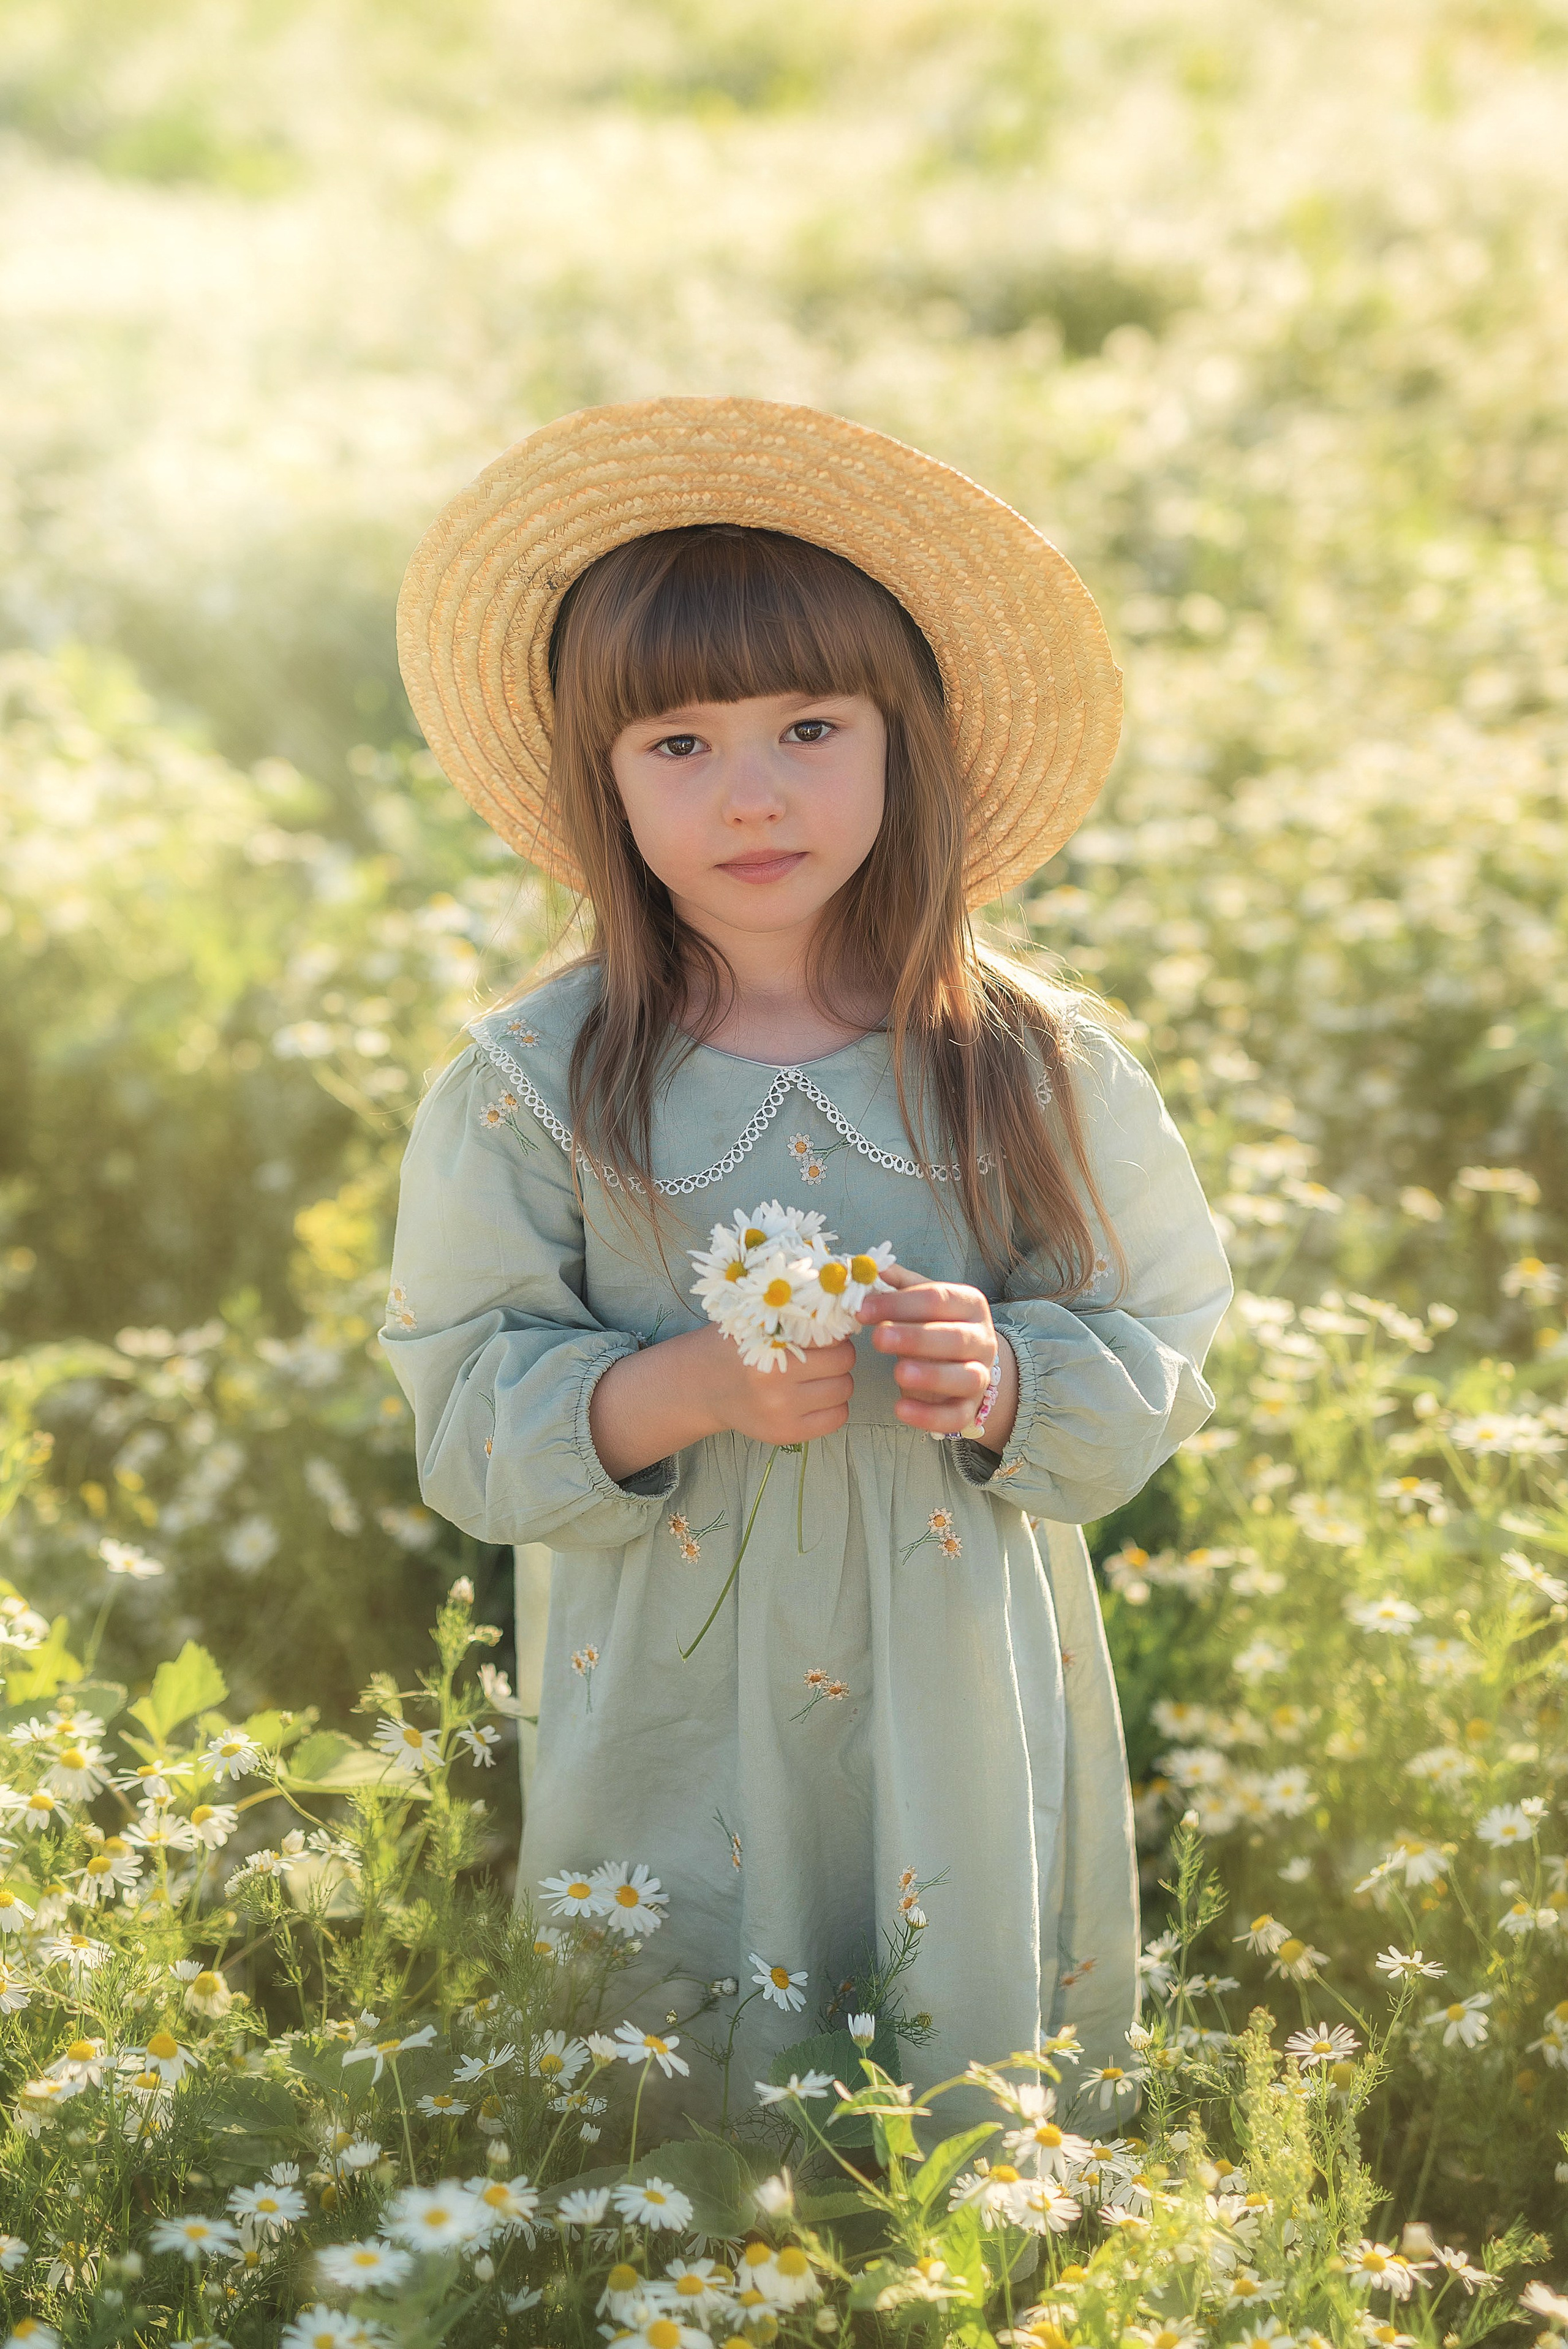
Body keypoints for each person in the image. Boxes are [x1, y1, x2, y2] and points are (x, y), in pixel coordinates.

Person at [381, 396, 1232, 2128]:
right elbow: (463, 1409)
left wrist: (1006, 1376)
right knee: (678, 2016)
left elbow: (1161, 1330)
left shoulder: (1028, 1063)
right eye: (676, 745)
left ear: (904, 737)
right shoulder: (533, 1085)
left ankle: (959, 2261)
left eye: (809, 726)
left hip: (954, 1676)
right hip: (674, 1678)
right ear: (596, 781)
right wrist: (679, 1382)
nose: (751, 792)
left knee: (952, 2023)